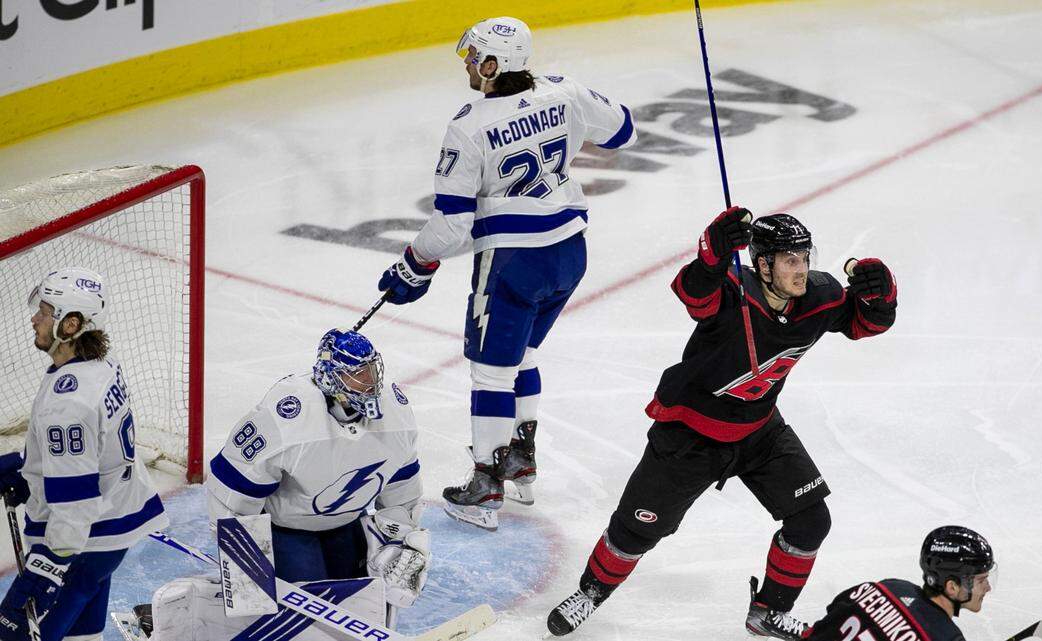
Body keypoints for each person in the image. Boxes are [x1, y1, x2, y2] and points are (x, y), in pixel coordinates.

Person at [546, 208, 898, 639]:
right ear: (762, 264)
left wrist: (881, 293)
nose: (801, 269)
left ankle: (767, 612)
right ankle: (590, 593)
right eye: (789, 260)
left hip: (760, 430)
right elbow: (694, 293)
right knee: (636, 529)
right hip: (690, 435)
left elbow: (870, 323)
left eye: (804, 257)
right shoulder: (733, 291)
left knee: (811, 520)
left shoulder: (819, 298)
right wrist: (712, 253)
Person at [376, 16, 637, 530]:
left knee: (492, 370)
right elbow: (624, 130)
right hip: (569, 253)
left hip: (515, 263)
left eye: (475, 57)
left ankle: (485, 487)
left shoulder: (469, 125)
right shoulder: (564, 91)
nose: (469, 65)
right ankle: (520, 463)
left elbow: (452, 227)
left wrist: (414, 263)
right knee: (526, 355)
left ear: (495, 64)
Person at [202, 329, 428, 615]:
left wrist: (399, 542)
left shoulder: (396, 413)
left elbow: (401, 488)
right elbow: (231, 488)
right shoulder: (288, 417)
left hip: (347, 522)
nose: (369, 384)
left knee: (363, 603)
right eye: (356, 375)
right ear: (330, 379)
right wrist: (245, 570)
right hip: (286, 529)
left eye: (371, 372)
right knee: (305, 609)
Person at [0, 268, 168, 641]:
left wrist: (50, 564)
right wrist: (31, 468)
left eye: (44, 312)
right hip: (112, 525)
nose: (34, 319)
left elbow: (74, 502)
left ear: (70, 324)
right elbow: (93, 447)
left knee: (15, 635)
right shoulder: (101, 365)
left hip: (84, 541)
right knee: (83, 633)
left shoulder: (68, 402)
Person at [804, 526, 994, 641]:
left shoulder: (887, 587)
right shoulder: (946, 636)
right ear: (952, 587)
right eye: (981, 580)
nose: (988, 588)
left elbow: (818, 630)